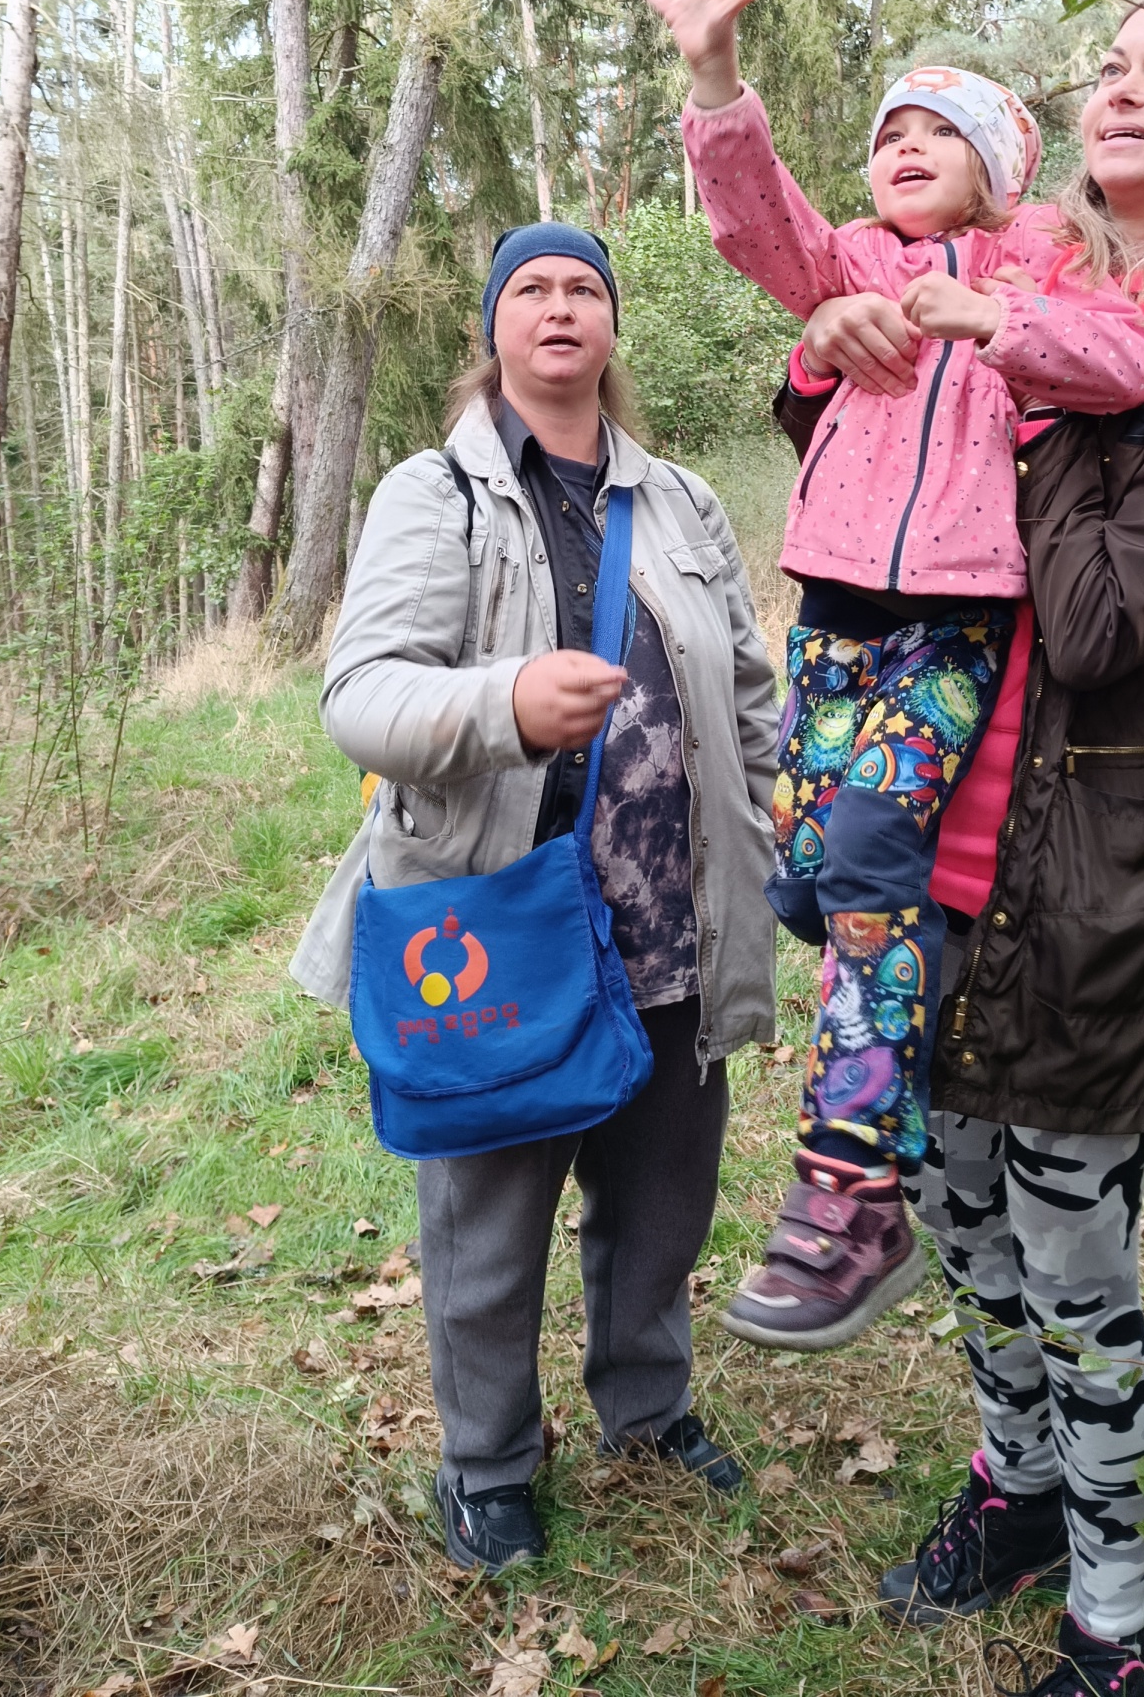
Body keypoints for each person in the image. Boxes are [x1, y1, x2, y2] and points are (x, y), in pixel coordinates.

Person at [789, 0, 1144, 1697]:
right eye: (1104, 62)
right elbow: (834, 445)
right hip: (938, 839)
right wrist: (853, 347)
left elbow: (1119, 618)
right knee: (953, 1209)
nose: (1118, 88)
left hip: (1096, 853)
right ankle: (1012, 1485)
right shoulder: (1016, 270)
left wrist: (1002, 400)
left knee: (1071, 1245)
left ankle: (1114, 1608)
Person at [642, 0, 1144, 1351]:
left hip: (950, 617)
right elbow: (756, 220)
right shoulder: (846, 267)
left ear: (999, 164)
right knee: (818, 881)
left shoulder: (1040, 259)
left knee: (869, 862)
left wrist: (993, 319)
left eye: (942, 130)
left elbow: (1119, 361)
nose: (906, 147)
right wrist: (714, 79)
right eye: (889, 133)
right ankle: (898, 981)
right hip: (827, 613)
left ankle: (852, 1180)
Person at [289, 224, 779, 1572]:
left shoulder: (677, 500)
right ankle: (488, 1462)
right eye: (531, 289)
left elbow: (743, 687)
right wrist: (500, 701)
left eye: (583, 290)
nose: (559, 308)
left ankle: (645, 1405)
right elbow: (361, 694)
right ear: (494, 327)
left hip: (674, 916)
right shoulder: (433, 493)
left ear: (611, 328)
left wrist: (793, 796)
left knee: (663, 1197)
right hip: (498, 924)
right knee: (490, 1220)